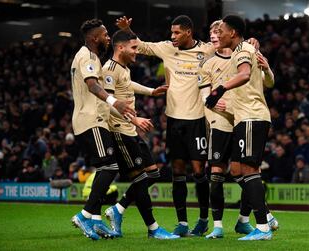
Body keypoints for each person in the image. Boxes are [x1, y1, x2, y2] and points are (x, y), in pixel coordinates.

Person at [116, 15, 213, 237]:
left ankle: (204, 219)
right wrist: (128, 29)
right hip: (175, 119)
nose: (173, 37)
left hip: (198, 118)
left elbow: (228, 49)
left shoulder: (206, 51)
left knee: (199, 171)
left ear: (188, 32)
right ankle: (182, 223)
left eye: (177, 33)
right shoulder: (167, 48)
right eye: (172, 32)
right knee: (177, 171)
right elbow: (142, 46)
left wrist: (251, 42)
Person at [198, 20, 277, 239]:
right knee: (242, 170)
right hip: (243, 118)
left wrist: (219, 90)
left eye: (220, 31)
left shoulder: (243, 49)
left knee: (250, 170)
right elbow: (267, 82)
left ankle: (262, 227)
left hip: (252, 116)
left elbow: (243, 75)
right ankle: (262, 220)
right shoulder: (240, 51)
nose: (217, 35)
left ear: (232, 33)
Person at [102, 30, 179, 239]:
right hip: (119, 131)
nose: (138, 51)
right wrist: (134, 119)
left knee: (153, 174)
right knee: (140, 179)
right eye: (134, 48)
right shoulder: (109, 69)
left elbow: (128, 86)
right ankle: (153, 229)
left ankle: (117, 209)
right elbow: (107, 103)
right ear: (120, 47)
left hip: (129, 130)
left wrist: (151, 91)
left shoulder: (122, 68)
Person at [70, 19, 135, 241]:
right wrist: (114, 101)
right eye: (105, 34)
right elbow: (91, 84)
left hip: (91, 120)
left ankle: (96, 222)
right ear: (94, 37)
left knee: (103, 168)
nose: (109, 37)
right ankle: (85, 214)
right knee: (110, 167)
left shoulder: (91, 56)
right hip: (92, 120)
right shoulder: (87, 56)